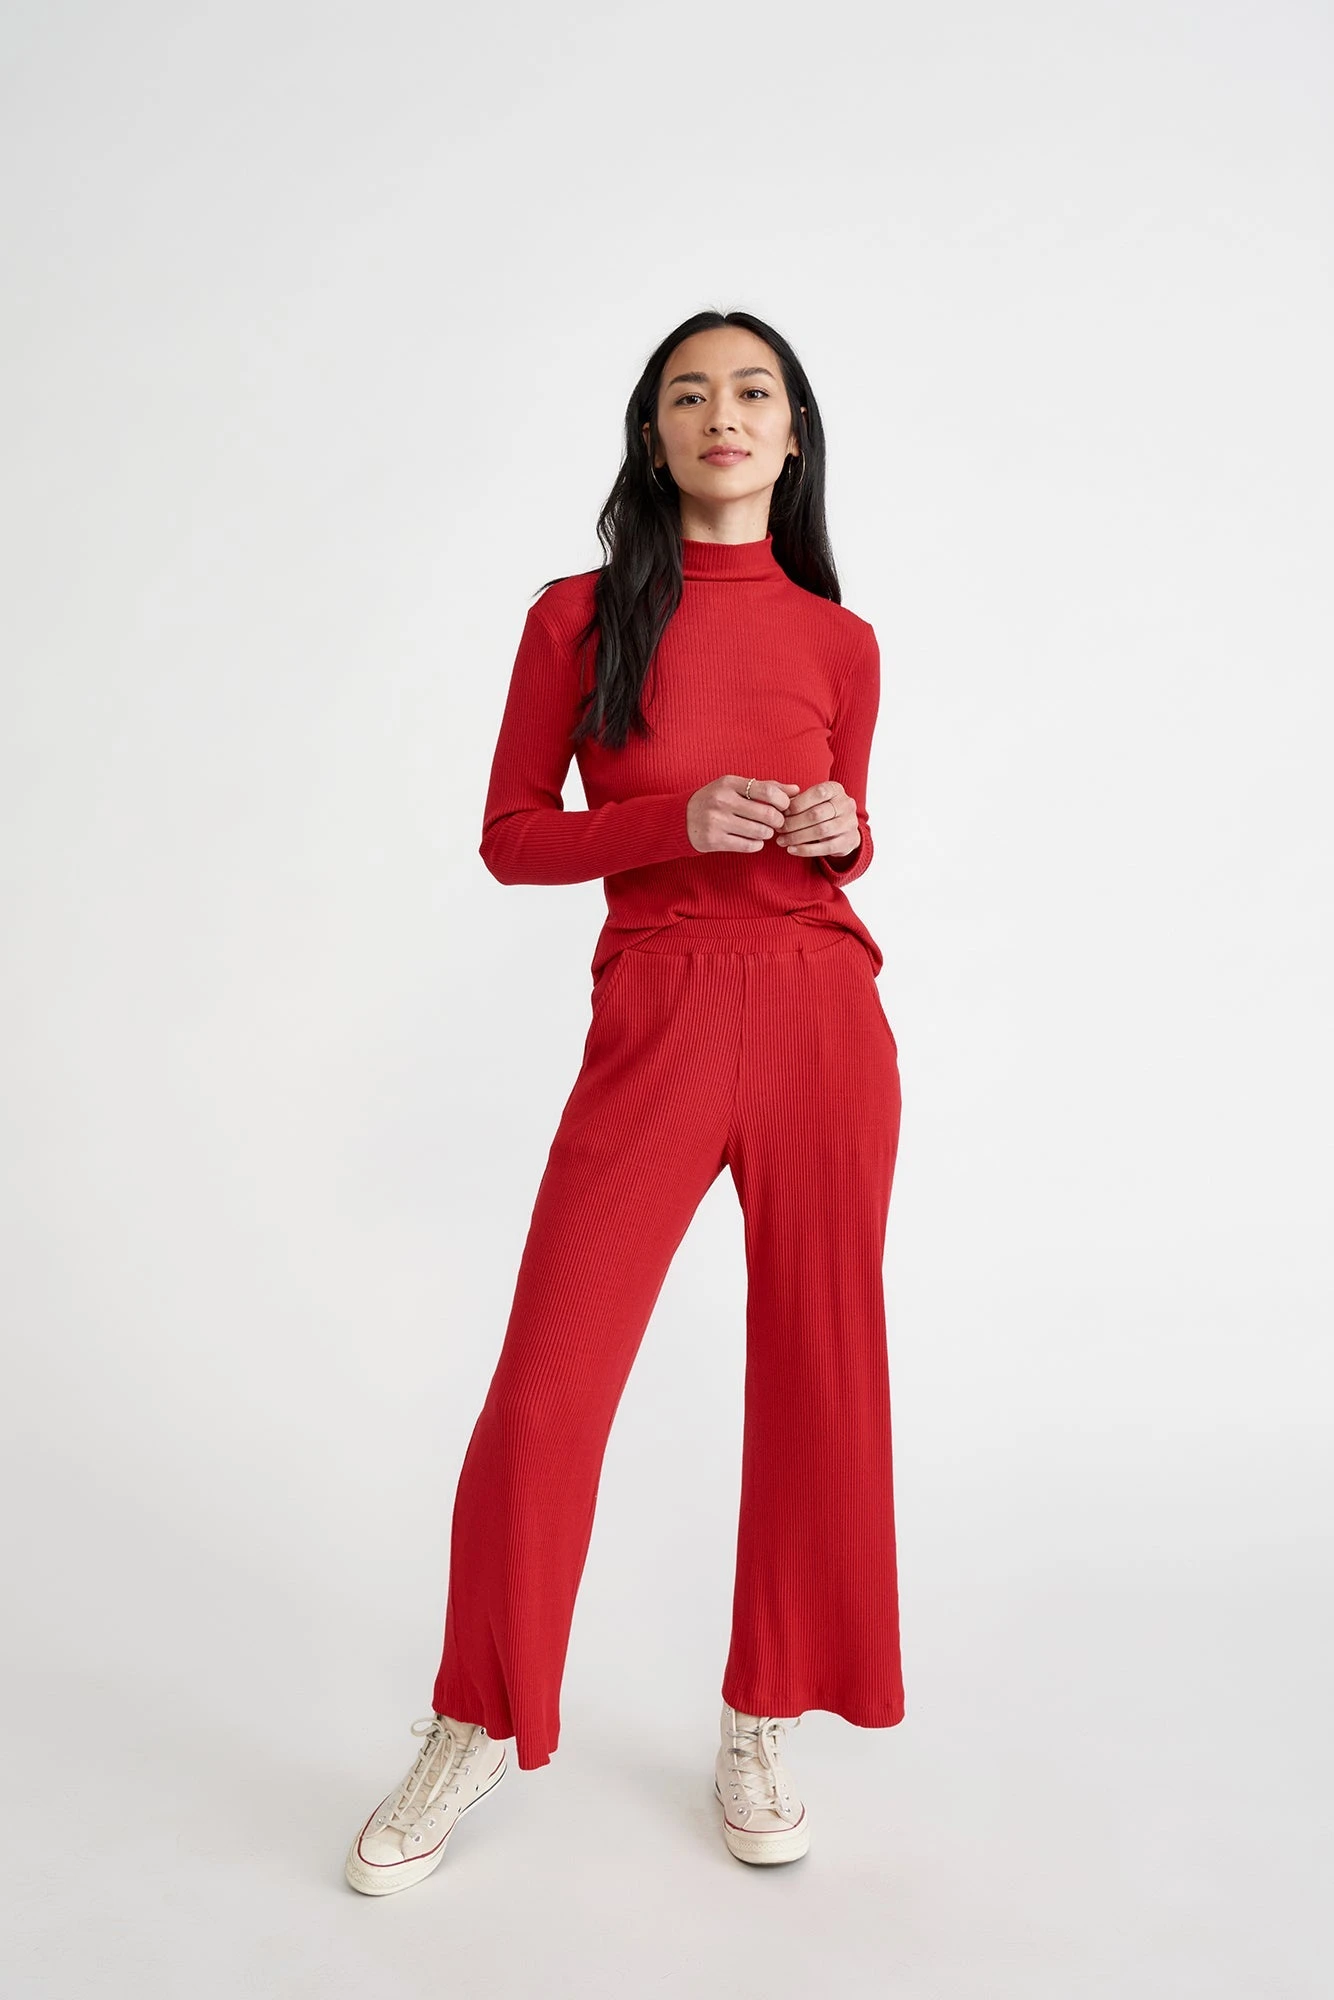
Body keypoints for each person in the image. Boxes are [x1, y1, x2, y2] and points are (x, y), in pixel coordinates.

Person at [344, 308, 903, 1895]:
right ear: (652, 438)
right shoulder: (579, 619)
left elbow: (851, 836)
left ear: (792, 434)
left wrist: (835, 831)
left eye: (753, 391)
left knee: (817, 1376)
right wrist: (668, 820)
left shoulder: (841, 641)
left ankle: (761, 1715)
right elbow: (514, 835)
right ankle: (475, 1715)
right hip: (656, 1014)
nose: (723, 413)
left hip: (820, 1018)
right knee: (549, 1385)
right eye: (688, 394)